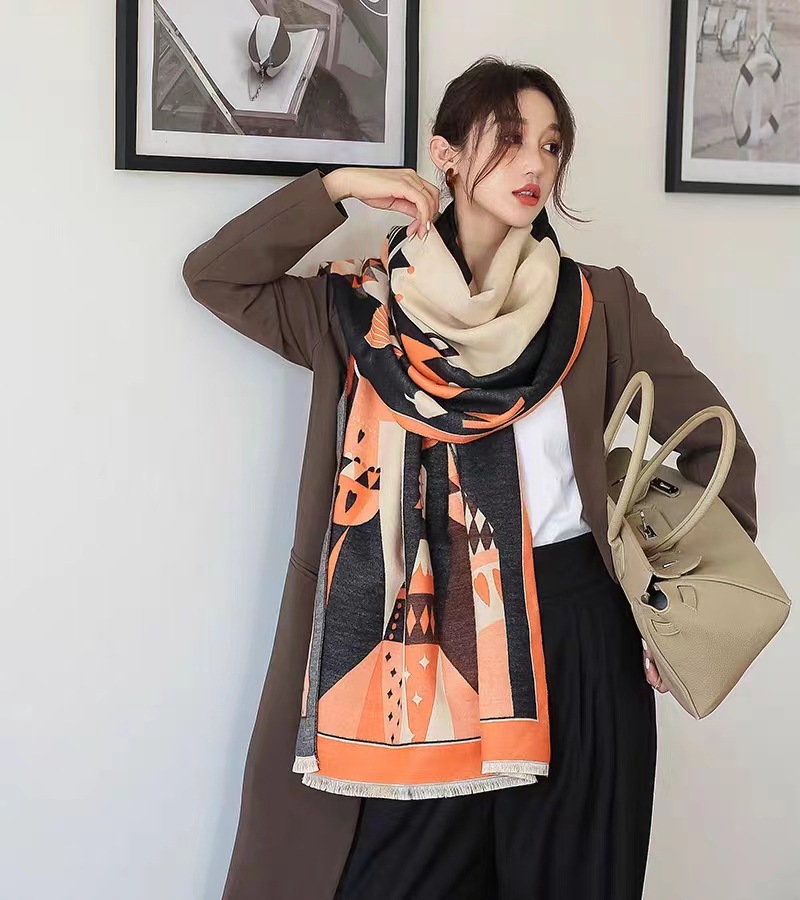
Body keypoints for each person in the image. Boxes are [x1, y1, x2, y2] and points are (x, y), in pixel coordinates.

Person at [183, 57, 757, 900]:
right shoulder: (361, 313)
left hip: (575, 635)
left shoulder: (595, 307)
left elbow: (716, 443)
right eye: (511, 139)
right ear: (445, 154)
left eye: (552, 145)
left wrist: (686, 613)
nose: (536, 165)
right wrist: (340, 185)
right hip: (417, 640)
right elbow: (215, 275)